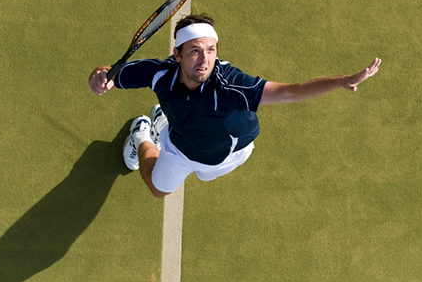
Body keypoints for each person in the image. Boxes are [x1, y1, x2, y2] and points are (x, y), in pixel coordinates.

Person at [89, 14, 381, 198]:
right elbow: (110, 72)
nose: (204, 60)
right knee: (157, 188)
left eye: (211, 50)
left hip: (230, 153)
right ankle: (141, 136)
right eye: (194, 52)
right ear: (177, 55)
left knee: (205, 176)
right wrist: (101, 77)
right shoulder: (159, 74)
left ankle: (162, 120)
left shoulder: (230, 86)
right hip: (181, 148)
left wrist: (341, 80)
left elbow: (290, 92)